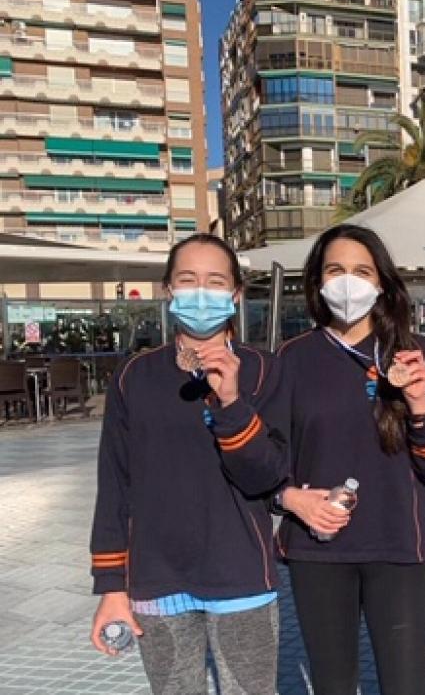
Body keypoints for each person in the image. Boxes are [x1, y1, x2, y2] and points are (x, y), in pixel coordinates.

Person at [89, 234, 286, 695]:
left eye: (216, 281)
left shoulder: (266, 370)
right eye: (187, 279)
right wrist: (110, 586)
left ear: (236, 294)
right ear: (167, 290)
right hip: (156, 579)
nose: (201, 291)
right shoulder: (134, 376)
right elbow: (114, 486)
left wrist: (233, 401)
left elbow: (268, 474)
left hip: (242, 577)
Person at [271, 224, 425, 695]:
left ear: (381, 283)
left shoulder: (415, 354)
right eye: (335, 270)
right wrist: (291, 499)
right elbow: (269, 458)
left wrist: (418, 403)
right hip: (319, 549)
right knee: (333, 684)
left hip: (397, 546)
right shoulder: (292, 359)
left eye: (361, 270)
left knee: (407, 685)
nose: (348, 282)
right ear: (316, 281)